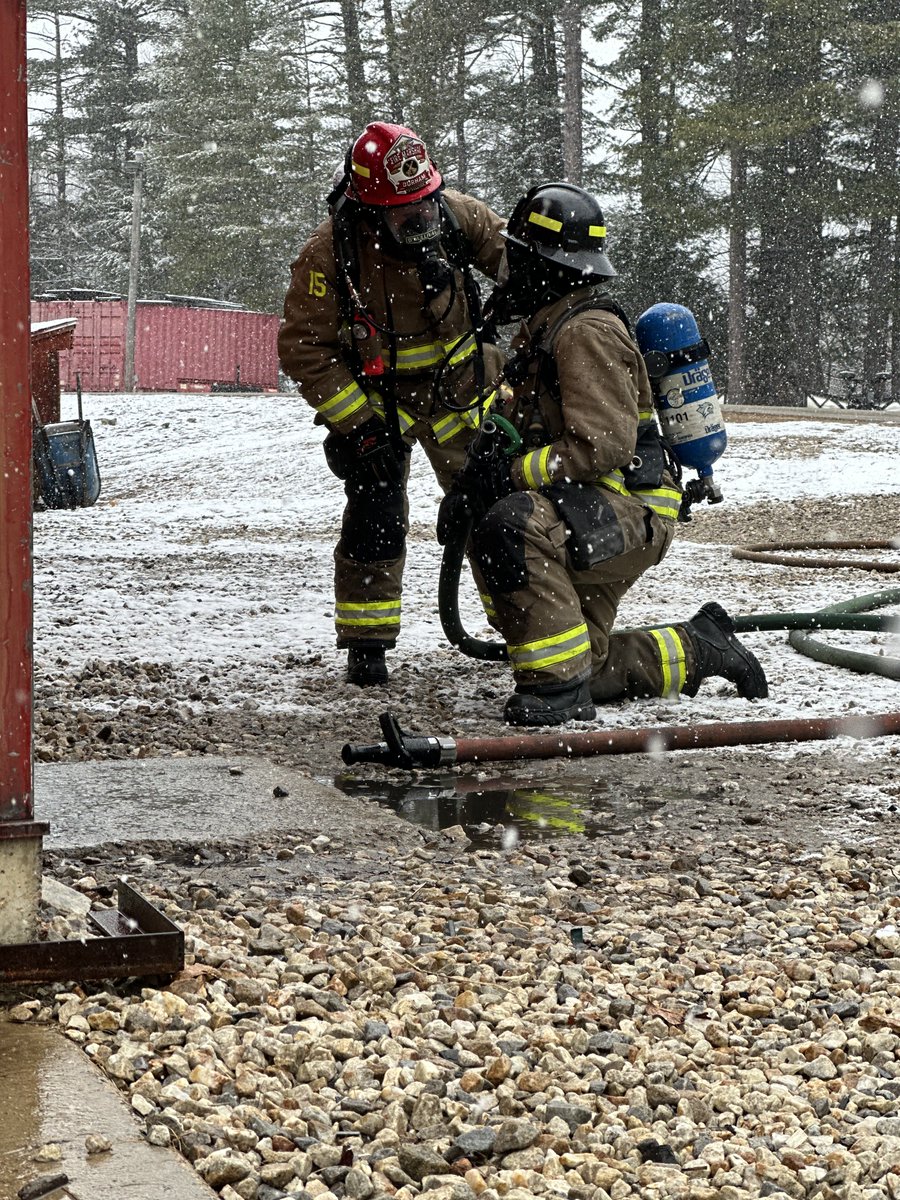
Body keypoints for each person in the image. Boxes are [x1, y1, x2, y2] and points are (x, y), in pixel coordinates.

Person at [438, 182, 768, 726]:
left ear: (546, 264)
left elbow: (602, 446)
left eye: (519, 257)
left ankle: (558, 690)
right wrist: (478, 481)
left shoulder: (585, 332)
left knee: (511, 526)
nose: (507, 270)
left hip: (626, 508)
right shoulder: (544, 330)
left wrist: (511, 476)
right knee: (575, 657)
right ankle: (699, 646)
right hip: (586, 507)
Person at [279, 121, 506, 686]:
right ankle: (367, 646)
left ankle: (525, 629)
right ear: (369, 207)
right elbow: (306, 349)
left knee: (497, 511)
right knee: (376, 518)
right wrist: (359, 428)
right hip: (382, 410)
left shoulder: (460, 216)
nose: (421, 217)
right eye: (403, 212)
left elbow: (523, 267)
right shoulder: (330, 255)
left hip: (462, 398)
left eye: (425, 202)